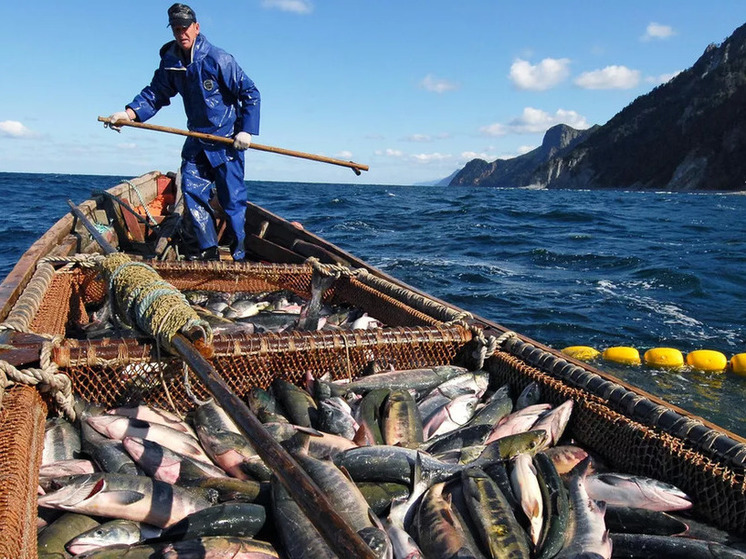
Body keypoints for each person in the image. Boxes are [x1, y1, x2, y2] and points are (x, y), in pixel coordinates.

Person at [107, 3, 260, 261]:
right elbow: (156, 93)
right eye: (176, 29)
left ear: (196, 28)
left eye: (185, 28)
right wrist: (130, 114)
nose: (181, 34)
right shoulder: (171, 61)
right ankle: (209, 252)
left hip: (225, 142)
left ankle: (239, 255)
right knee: (191, 193)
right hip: (196, 140)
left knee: (232, 201)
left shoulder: (219, 59)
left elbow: (251, 94)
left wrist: (246, 131)